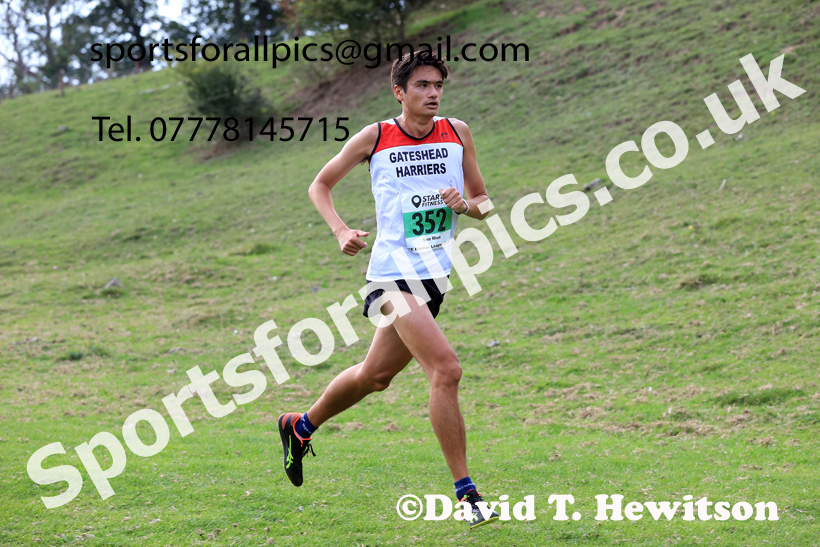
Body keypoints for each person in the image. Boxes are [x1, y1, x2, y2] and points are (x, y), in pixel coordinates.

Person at [278, 52, 499, 528]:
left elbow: (484, 201)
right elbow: (320, 184)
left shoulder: (457, 133)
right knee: (447, 370)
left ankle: (300, 426)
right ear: (399, 92)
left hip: (434, 277)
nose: (433, 92)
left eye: (438, 84)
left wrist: (468, 207)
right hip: (391, 276)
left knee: (374, 377)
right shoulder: (377, 136)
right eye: (421, 85)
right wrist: (340, 231)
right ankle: (467, 495)